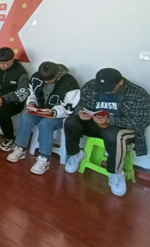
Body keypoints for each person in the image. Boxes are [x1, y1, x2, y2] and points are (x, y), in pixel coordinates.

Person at [63, 68, 150, 196]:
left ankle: (116, 173)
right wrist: (79, 112)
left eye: (109, 87)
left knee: (114, 134)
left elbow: (141, 122)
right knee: (71, 121)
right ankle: (75, 154)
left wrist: (110, 120)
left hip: (120, 128)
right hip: (94, 123)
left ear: (121, 82)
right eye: (101, 87)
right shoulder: (91, 85)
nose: (104, 90)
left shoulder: (138, 93)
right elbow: (80, 106)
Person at [7, 62, 80, 174]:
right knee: (26, 118)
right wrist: (32, 102)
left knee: (45, 124)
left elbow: (70, 107)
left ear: (58, 75)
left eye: (49, 80)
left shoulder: (70, 82)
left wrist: (54, 111)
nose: (45, 82)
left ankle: (44, 158)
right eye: (44, 79)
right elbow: (31, 93)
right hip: (40, 110)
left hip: (60, 114)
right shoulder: (36, 76)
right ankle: (20, 148)